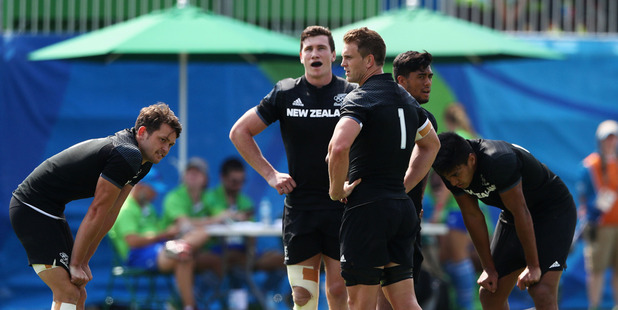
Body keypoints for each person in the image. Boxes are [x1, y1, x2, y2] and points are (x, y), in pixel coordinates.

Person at [229, 25, 357, 310]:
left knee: (338, 290)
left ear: (333, 55)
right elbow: (239, 132)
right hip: (301, 209)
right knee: (302, 295)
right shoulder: (286, 93)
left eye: (321, 48)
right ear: (301, 56)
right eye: (309, 49)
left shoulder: (353, 93)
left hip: (343, 207)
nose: (315, 54)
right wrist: (270, 174)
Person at [9, 102, 181, 310]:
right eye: (162, 140)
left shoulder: (143, 162)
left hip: (48, 209)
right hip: (31, 208)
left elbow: (111, 213)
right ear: (142, 132)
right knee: (68, 292)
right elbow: (97, 210)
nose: (165, 149)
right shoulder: (128, 154)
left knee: (78, 294)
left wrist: (83, 262)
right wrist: (76, 263)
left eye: (170, 145)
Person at [327, 27, 440, 310]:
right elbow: (432, 145)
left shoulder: (360, 98)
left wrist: (336, 190)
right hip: (402, 210)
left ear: (368, 61)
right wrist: (402, 188)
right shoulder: (407, 100)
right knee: (405, 302)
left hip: (367, 211)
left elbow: (338, 148)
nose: (342, 64)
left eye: (348, 57)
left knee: (361, 304)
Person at [432, 132, 577, 310]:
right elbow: (472, 215)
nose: (453, 183)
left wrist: (532, 265)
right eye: (448, 178)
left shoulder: (498, 160)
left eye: (455, 175)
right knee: (489, 294)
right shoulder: (451, 171)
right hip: (514, 214)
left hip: (552, 212)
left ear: (471, 159)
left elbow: (521, 211)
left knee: (541, 291)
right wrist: (488, 269)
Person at [374, 50, 437, 310]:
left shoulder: (425, 120)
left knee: (399, 300)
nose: (428, 82)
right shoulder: (377, 113)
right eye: (421, 76)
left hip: (405, 218)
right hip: (376, 216)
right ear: (401, 81)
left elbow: (421, 168)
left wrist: (411, 199)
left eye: (430, 76)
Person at [108, 168, 209, 310]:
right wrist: (163, 235)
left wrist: (171, 232)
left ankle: (184, 305)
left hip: (161, 248)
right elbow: (132, 241)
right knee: (184, 253)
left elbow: (159, 232)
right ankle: (186, 305)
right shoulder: (126, 209)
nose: (155, 195)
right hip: (137, 256)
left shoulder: (148, 207)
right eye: (153, 189)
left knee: (192, 248)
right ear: (141, 186)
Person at [578, 119, 618, 310]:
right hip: (600, 228)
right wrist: (593, 213)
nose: (611, 142)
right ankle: (594, 307)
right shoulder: (589, 165)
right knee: (596, 271)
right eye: (607, 138)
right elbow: (584, 199)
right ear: (600, 140)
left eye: (613, 138)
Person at [162, 157, 223, 278]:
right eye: (189, 172)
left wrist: (223, 217)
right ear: (184, 176)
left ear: (205, 179)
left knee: (222, 260)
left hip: (197, 250)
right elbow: (184, 224)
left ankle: (215, 294)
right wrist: (214, 220)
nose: (192, 175)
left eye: (197, 172)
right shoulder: (174, 196)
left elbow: (223, 216)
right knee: (188, 254)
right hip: (170, 248)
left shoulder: (209, 197)